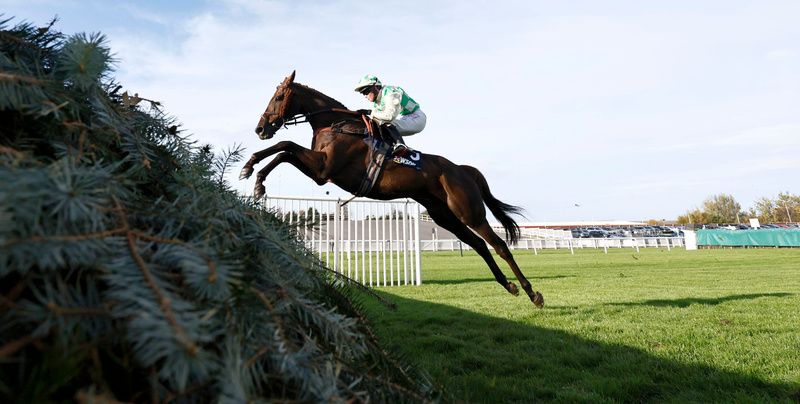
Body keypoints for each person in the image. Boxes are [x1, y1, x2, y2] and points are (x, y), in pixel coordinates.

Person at [354, 74, 426, 152]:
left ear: (376, 87)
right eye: (363, 93)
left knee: (383, 122)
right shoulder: (377, 101)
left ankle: (400, 145)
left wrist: (369, 112)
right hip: (407, 117)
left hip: (417, 118)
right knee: (376, 124)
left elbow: (389, 117)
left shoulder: (390, 93)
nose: (365, 95)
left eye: (366, 91)